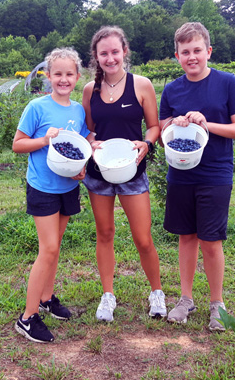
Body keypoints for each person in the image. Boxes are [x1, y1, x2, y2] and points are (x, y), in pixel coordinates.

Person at [159, 22, 235, 331]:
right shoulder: (172, 90)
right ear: (177, 56)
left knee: (211, 240)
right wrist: (178, 121)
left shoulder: (227, 83)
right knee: (186, 236)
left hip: (215, 173)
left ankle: (217, 303)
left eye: (197, 50)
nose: (192, 57)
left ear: (208, 51)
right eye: (185, 52)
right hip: (181, 173)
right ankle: (186, 299)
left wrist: (207, 123)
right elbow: (163, 132)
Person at [81, 26, 165, 322]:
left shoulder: (142, 85)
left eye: (115, 52)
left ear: (124, 52)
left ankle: (156, 292)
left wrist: (147, 142)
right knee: (104, 234)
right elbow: (89, 130)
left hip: (132, 170)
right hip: (99, 172)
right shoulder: (90, 90)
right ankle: (108, 296)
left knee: (143, 238)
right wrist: (90, 143)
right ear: (96, 57)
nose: (110, 58)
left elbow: (154, 127)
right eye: (103, 53)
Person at [12, 47, 93, 343]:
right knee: (47, 249)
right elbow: (18, 144)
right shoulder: (37, 107)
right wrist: (44, 140)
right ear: (48, 75)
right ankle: (27, 317)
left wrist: (83, 166)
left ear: (77, 76)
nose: (63, 79)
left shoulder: (76, 110)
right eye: (57, 73)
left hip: (68, 187)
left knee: (55, 247)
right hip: (43, 187)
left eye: (69, 74)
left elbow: (81, 142)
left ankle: (47, 298)